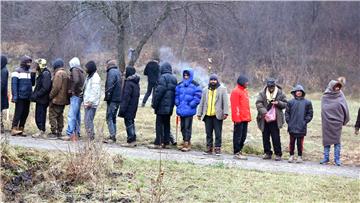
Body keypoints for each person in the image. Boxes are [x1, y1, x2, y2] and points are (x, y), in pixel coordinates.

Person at [255, 78, 287, 161]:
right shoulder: (262, 93)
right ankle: (267, 153)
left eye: (272, 86)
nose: (271, 88)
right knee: (265, 136)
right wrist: (265, 112)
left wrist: (278, 103)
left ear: (275, 85)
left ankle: (278, 154)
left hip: (275, 119)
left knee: (276, 137)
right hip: (264, 118)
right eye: (269, 87)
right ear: (267, 86)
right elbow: (258, 103)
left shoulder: (280, 93)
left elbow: (286, 104)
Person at [197, 74, 229, 156]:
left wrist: (226, 112)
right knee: (208, 133)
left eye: (214, 80)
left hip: (217, 115)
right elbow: (202, 102)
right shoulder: (205, 90)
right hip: (207, 115)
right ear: (209, 81)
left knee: (218, 133)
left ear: (217, 80)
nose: (213, 81)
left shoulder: (222, 89)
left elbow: (225, 102)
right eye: (211, 80)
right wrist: (199, 113)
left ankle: (217, 148)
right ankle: (209, 148)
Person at [320, 79, 350, 166]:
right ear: (331, 87)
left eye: (338, 87)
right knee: (326, 141)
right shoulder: (325, 96)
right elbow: (323, 109)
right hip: (327, 122)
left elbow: (345, 108)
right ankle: (326, 158)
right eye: (335, 86)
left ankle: (337, 159)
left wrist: (344, 119)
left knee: (337, 142)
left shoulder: (341, 95)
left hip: (337, 122)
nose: (337, 88)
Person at [151, 62, 177, 149]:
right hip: (170, 106)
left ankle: (158, 142)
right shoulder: (174, 78)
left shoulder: (162, 78)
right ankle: (166, 142)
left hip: (161, 106)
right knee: (167, 124)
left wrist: (154, 104)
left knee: (159, 124)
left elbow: (159, 92)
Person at [175, 68, 202, 152]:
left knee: (187, 127)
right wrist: (177, 102)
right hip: (181, 109)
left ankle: (187, 142)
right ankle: (184, 140)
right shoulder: (180, 84)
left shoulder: (196, 85)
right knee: (182, 127)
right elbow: (176, 94)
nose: (186, 77)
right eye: (184, 75)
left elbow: (198, 96)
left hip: (189, 110)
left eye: (187, 75)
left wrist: (191, 104)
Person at [285, 85, 313, 163]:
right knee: (292, 142)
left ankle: (300, 157)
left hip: (301, 127)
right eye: (297, 91)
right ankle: (291, 156)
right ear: (294, 92)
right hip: (292, 126)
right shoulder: (290, 102)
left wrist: (304, 122)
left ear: (302, 93)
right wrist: (289, 122)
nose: (298, 93)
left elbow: (310, 114)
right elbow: (287, 113)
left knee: (300, 143)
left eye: (300, 91)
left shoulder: (307, 102)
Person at [11, 55, 36, 136]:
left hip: (28, 96)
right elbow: (14, 85)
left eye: (30, 62)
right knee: (18, 112)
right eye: (28, 62)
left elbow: (32, 84)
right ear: (23, 62)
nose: (29, 64)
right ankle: (14, 128)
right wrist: (15, 96)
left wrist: (33, 75)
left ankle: (21, 128)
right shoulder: (16, 71)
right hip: (20, 96)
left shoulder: (29, 72)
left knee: (25, 113)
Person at [63, 57, 85, 141]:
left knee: (71, 115)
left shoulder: (74, 70)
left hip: (75, 95)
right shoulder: (81, 71)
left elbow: (76, 80)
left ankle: (70, 133)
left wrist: (71, 89)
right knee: (77, 115)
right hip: (79, 95)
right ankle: (77, 132)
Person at [118, 66, 140, 147]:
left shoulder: (128, 83)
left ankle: (131, 140)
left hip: (128, 107)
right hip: (134, 106)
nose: (124, 73)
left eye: (126, 71)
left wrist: (122, 108)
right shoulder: (136, 83)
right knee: (131, 122)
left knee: (128, 122)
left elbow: (126, 97)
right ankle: (133, 138)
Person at [230, 75, 251, 160]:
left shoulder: (245, 91)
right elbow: (234, 106)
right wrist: (236, 119)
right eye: (246, 82)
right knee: (238, 136)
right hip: (239, 119)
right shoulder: (236, 91)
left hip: (245, 118)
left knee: (243, 136)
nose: (247, 83)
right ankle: (236, 152)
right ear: (242, 82)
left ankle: (240, 150)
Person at [30, 58, 52, 138]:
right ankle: (40, 130)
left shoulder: (45, 74)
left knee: (40, 116)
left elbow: (45, 88)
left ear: (40, 65)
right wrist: (33, 73)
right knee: (38, 115)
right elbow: (34, 84)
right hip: (40, 99)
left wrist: (36, 95)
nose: (36, 66)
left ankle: (41, 131)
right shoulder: (41, 73)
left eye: (37, 65)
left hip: (43, 99)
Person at [49, 58, 69, 138]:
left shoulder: (58, 74)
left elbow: (56, 87)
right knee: (60, 115)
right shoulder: (65, 73)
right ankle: (59, 131)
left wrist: (50, 96)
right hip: (64, 99)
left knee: (52, 115)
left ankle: (54, 132)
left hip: (57, 99)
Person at [103, 59, 122, 143]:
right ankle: (113, 134)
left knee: (109, 117)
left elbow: (109, 86)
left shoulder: (111, 72)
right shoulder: (118, 72)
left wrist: (107, 97)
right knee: (113, 117)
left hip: (112, 99)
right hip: (118, 98)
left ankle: (112, 136)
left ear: (108, 65)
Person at [83, 61, 101, 140]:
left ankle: (91, 137)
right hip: (87, 102)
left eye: (86, 68)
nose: (85, 69)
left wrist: (90, 102)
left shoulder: (95, 77)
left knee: (88, 120)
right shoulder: (89, 76)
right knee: (87, 120)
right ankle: (90, 135)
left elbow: (95, 91)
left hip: (91, 104)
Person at [1, 55, 9, 133]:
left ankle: (1, 127)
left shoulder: (3, 71)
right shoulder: (3, 69)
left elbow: (2, 84)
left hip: (1, 95)